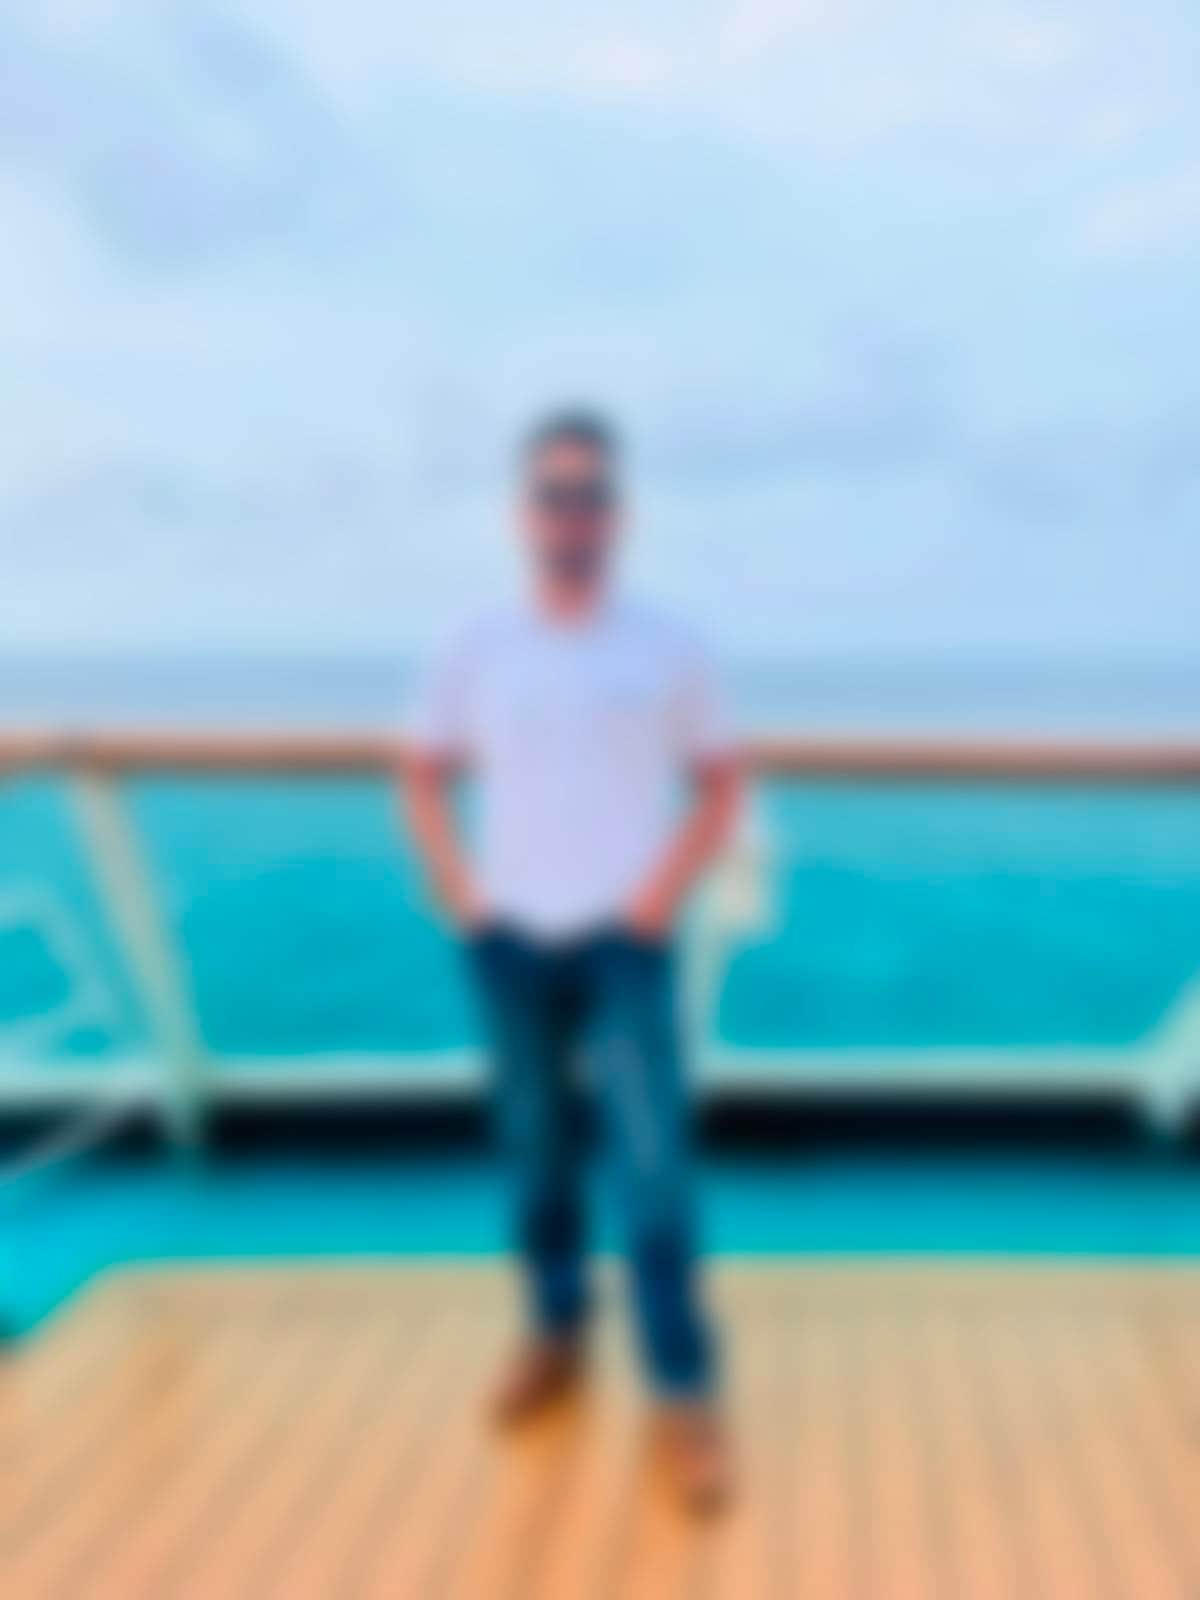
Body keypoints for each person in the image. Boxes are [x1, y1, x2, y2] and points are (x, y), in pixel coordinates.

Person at [402, 408, 743, 1511]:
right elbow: (421, 771)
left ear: (617, 515)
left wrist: (655, 897)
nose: (572, 516)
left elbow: (722, 784)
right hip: (510, 940)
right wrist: (463, 894)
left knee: (653, 1169)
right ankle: (555, 1331)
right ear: (524, 514)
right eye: (554, 495)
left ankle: (682, 1390)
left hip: (624, 942)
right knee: (537, 1153)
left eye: (590, 495)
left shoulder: (669, 645)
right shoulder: (474, 644)